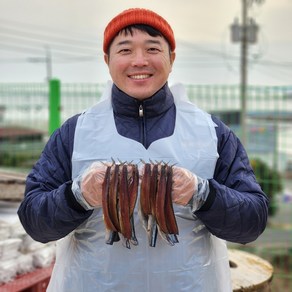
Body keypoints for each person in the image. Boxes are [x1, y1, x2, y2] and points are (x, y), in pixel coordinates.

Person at [18, 8, 269, 292]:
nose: (139, 61)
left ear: (171, 59)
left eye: (152, 49)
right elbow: (34, 222)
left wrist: (203, 193)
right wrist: (77, 195)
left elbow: (252, 221)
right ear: (107, 60)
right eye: (125, 50)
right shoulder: (75, 133)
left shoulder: (212, 133)